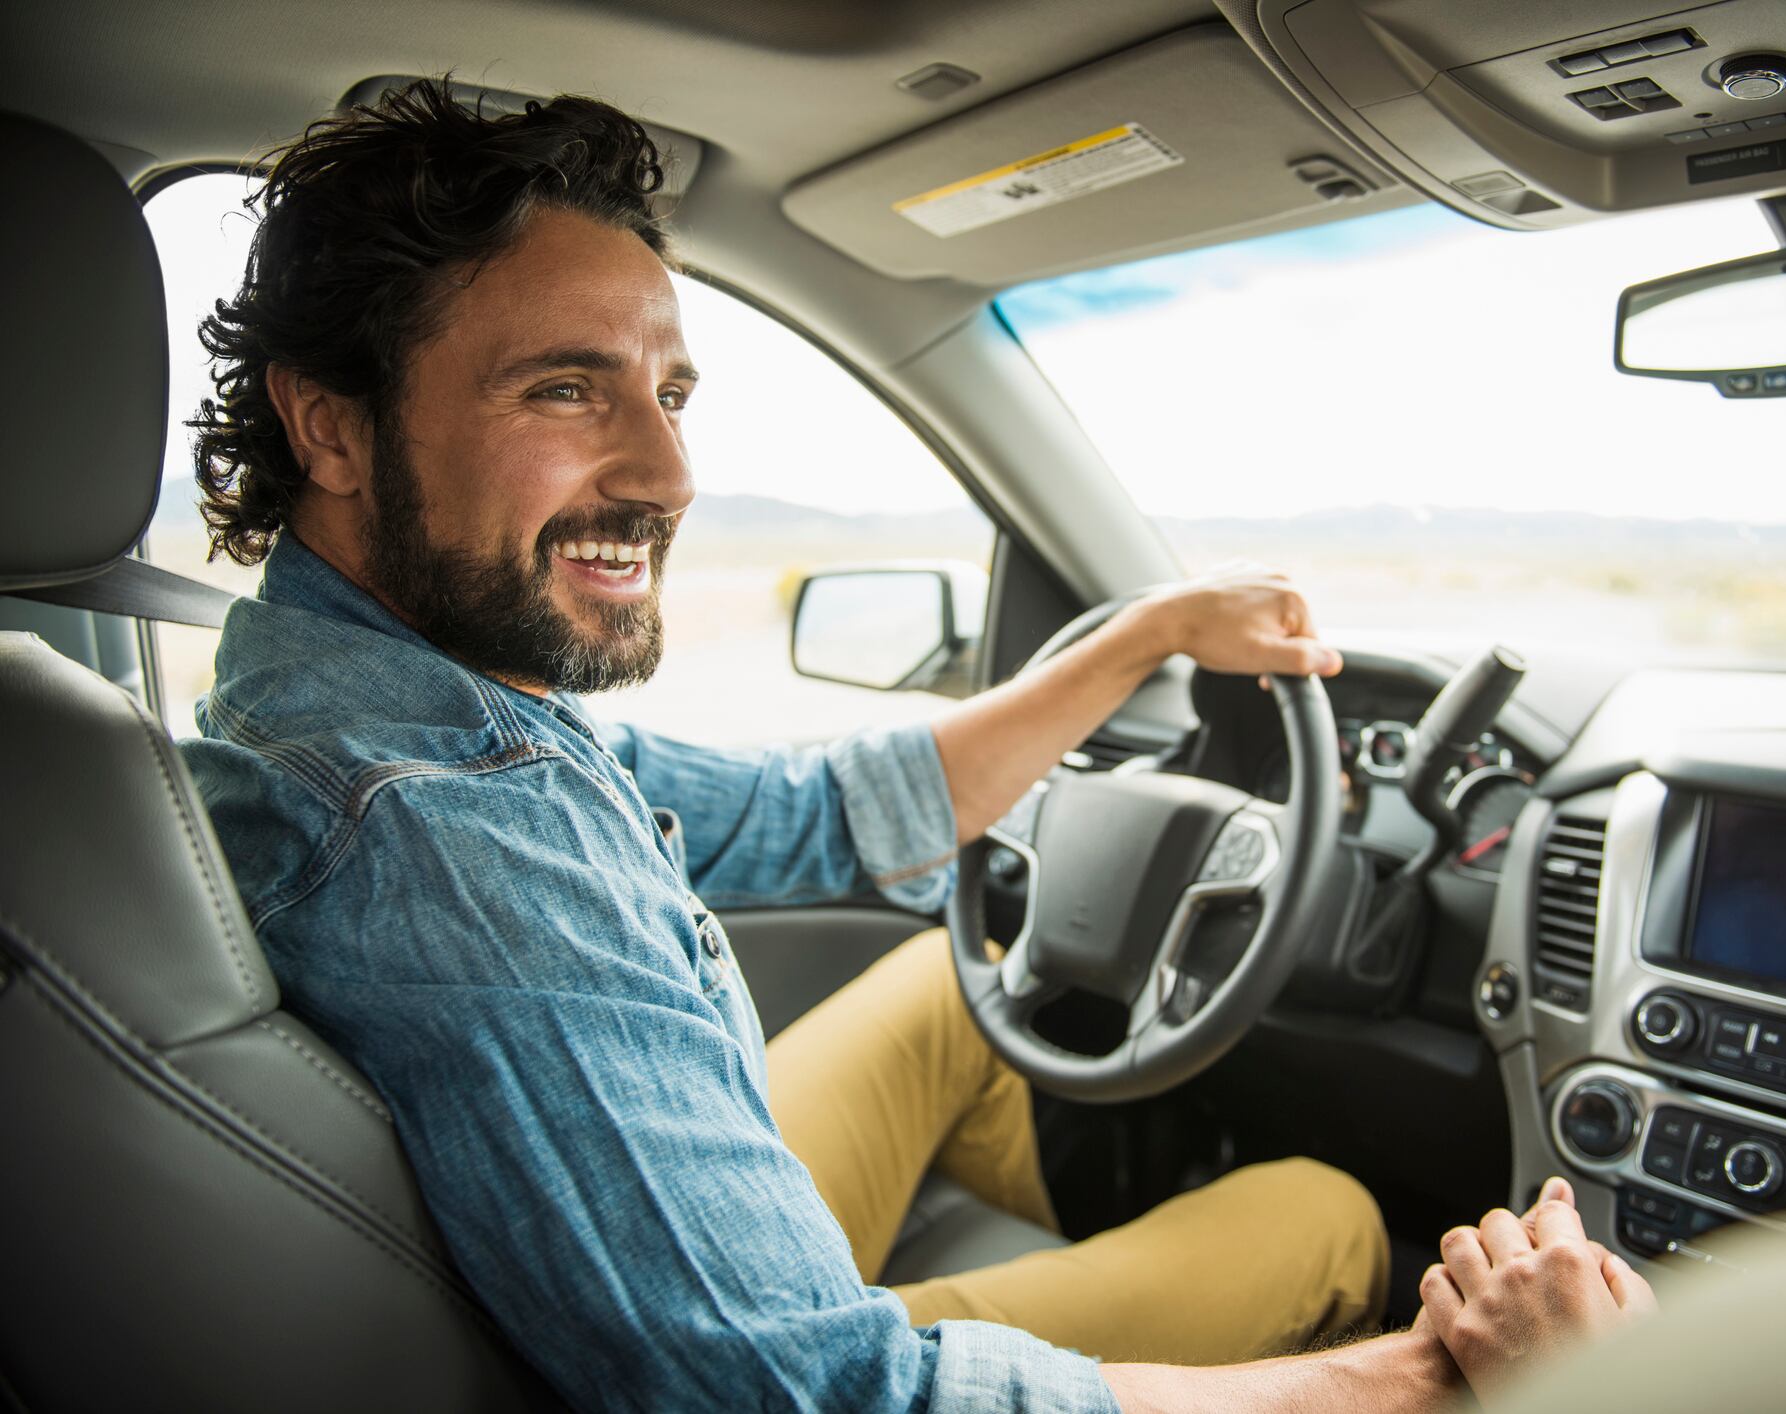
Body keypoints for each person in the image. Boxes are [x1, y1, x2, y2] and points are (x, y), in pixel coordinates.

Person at [176, 78, 1653, 1412]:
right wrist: (1433, 1370)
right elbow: (823, 1397)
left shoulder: (367, 689)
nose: (669, 473)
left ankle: (1108, 1217)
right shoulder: (453, 821)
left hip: (608, 1278)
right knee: (1321, 1215)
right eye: (564, 387)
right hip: (721, 1369)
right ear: (333, 427)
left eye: (669, 391)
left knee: (942, 978)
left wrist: (1145, 632)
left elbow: (806, 813)